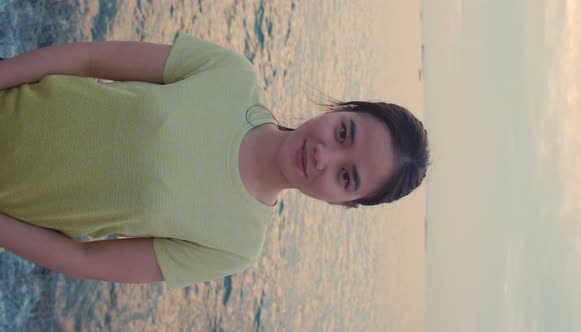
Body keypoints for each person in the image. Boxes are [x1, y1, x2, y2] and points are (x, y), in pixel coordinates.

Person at [0, 33, 429, 290]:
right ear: (341, 110)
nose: (324, 155)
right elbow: (91, 58)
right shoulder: (230, 74)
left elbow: (85, 261)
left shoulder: (235, 246)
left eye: (346, 176)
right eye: (343, 132)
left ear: (344, 204)